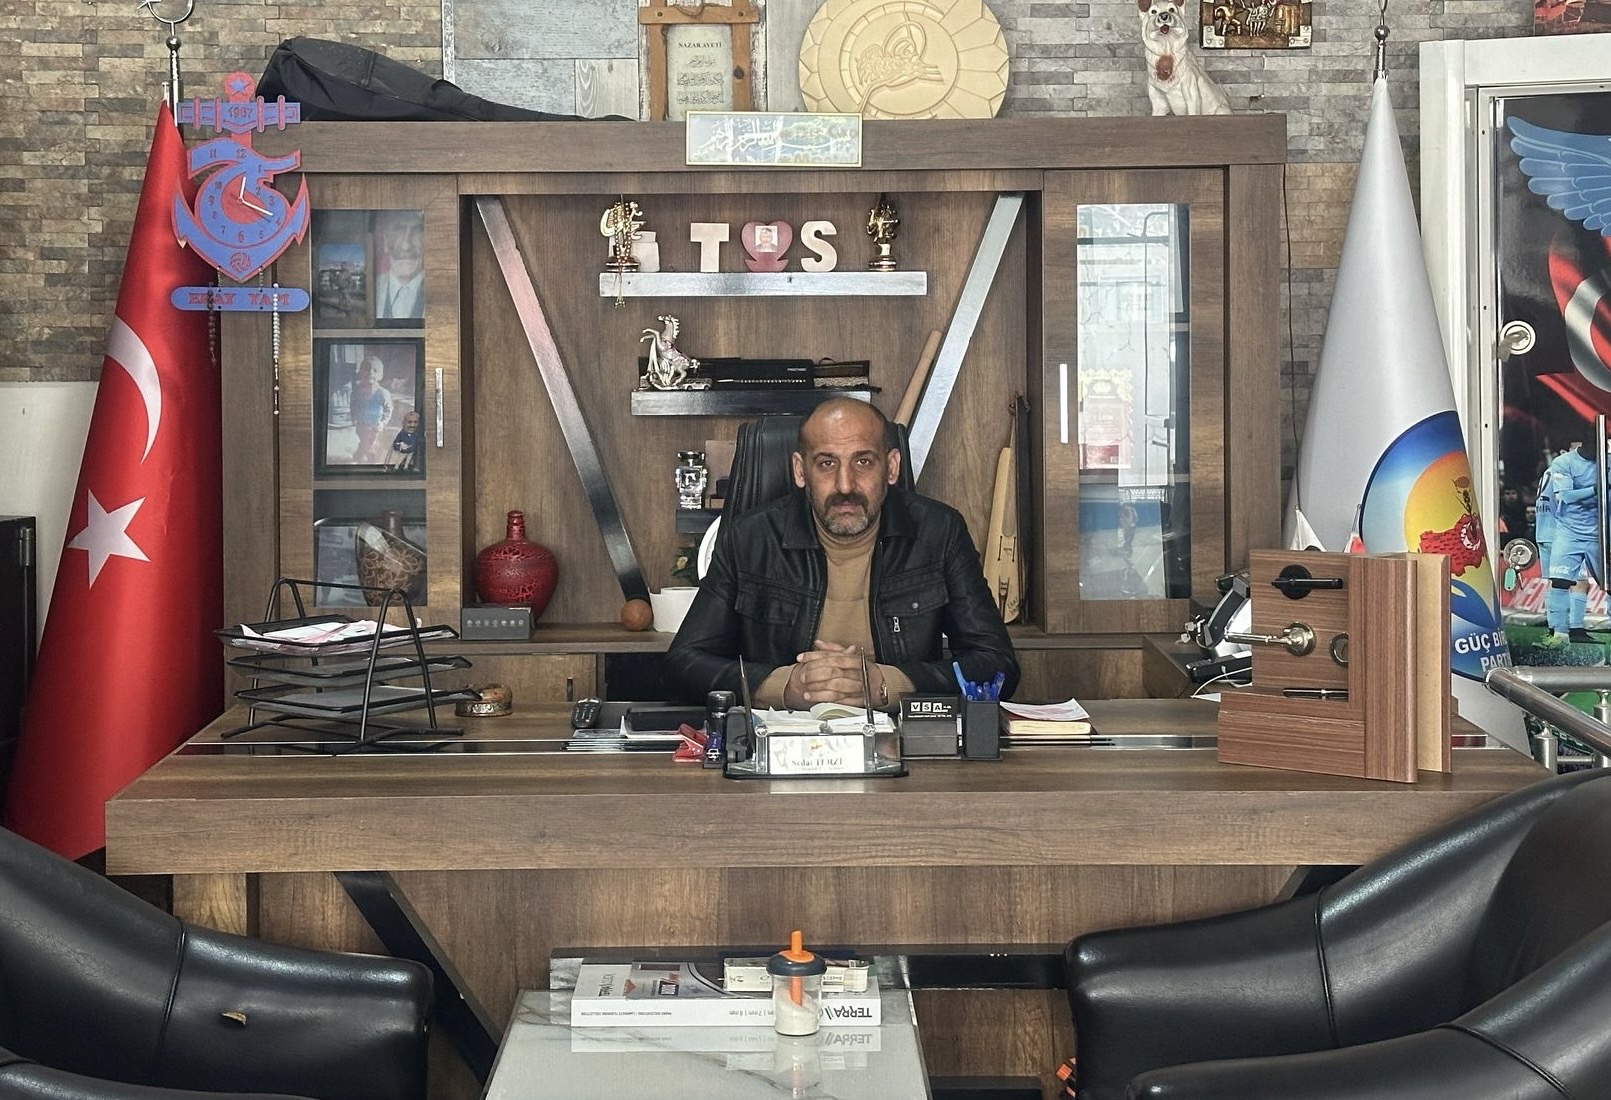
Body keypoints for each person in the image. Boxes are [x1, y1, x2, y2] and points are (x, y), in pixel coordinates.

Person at [665, 398, 1020, 709]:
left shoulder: (939, 532)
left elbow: (997, 664)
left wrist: (888, 684)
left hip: (902, 742)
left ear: (891, 467)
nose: (845, 485)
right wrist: (784, 687)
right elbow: (683, 664)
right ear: (800, 470)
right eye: (826, 464)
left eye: (863, 462)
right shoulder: (749, 539)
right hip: (781, 741)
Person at [1538, 441, 1600, 648]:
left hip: (1545, 529)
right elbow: (1563, 498)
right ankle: (1574, 628)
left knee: (1558, 581)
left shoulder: (1551, 470)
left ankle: (1557, 630)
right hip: (1561, 530)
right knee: (1576, 581)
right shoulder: (1564, 468)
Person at [373, 211, 424, 321]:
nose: (406, 246)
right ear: (386, 241)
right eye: (398, 232)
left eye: (417, 232)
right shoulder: (372, 288)